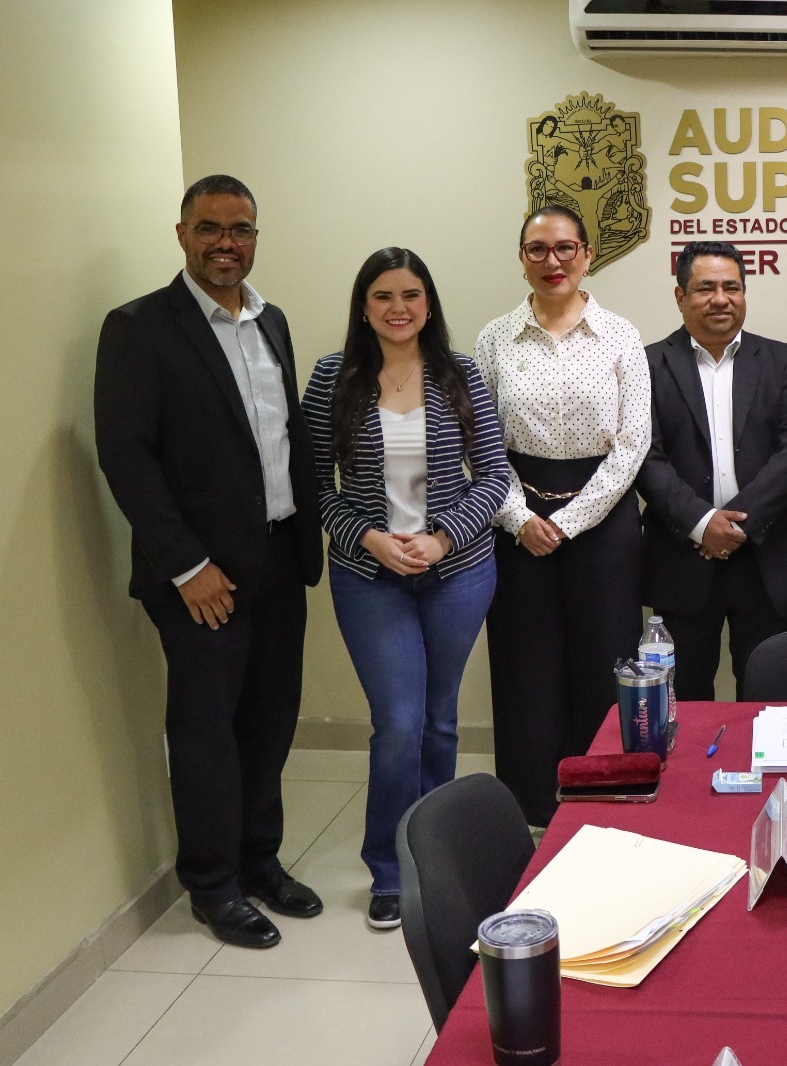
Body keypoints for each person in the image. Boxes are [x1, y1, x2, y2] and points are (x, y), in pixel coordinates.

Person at [94, 175, 324, 949]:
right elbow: (126, 455)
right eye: (210, 228)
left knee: (270, 722)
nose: (226, 243)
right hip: (202, 578)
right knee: (206, 734)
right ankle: (213, 884)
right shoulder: (139, 327)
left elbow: (280, 437)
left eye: (240, 228)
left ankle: (260, 860)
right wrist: (187, 566)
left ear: (256, 235)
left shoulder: (271, 320)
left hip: (278, 557)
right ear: (182, 234)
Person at [302, 248, 511, 929]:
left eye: (411, 295)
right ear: (364, 307)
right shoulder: (333, 376)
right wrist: (368, 537)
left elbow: (495, 475)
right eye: (384, 295)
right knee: (398, 724)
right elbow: (313, 484)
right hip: (370, 576)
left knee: (441, 719)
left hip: (458, 571)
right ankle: (390, 870)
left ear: (428, 304)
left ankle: (435, 856)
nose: (399, 308)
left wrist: (444, 537)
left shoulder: (460, 373)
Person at [476, 203, 651, 827]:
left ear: (586, 254)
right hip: (516, 516)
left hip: (604, 518)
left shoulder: (621, 335)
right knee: (526, 667)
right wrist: (519, 518)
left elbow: (633, 442)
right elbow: (480, 444)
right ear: (521, 258)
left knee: (605, 662)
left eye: (565, 248)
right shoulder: (495, 338)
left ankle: (604, 805)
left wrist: (570, 521)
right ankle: (530, 810)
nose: (552, 261)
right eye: (537, 249)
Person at [636, 241, 787, 698]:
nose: (721, 299)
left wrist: (734, 526)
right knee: (685, 700)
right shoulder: (647, 363)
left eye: (732, 287)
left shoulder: (782, 360)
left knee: (770, 696)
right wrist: (702, 524)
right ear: (681, 296)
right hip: (682, 557)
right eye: (706, 288)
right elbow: (645, 457)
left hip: (765, 553)